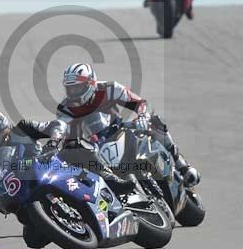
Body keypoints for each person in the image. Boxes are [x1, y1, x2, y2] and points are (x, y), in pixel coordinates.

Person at [0, 107, 132, 248]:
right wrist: (1, 203)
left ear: (0, 126)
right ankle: (65, 227)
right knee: (32, 240)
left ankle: (110, 178)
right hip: (25, 191)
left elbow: (56, 126)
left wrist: (53, 142)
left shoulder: (22, 128)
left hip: (50, 165)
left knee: (74, 145)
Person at [56, 63, 201, 186]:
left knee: (155, 121)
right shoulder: (65, 108)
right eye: (70, 89)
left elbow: (139, 103)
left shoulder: (110, 89)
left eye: (77, 88)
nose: (73, 92)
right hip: (96, 148)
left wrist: (143, 115)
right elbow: (67, 136)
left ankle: (182, 165)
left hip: (121, 129)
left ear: (91, 83)